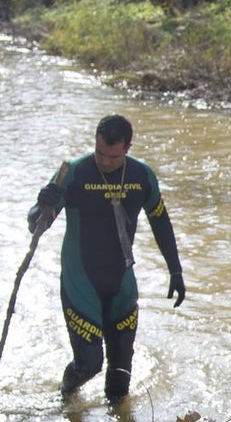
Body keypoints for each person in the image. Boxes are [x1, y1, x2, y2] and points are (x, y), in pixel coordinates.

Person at [29, 114, 185, 404]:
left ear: (127, 147)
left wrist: (175, 271)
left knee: (120, 380)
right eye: (100, 153)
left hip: (121, 284)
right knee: (89, 365)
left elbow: (161, 221)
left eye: (113, 156)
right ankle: (65, 399)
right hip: (80, 283)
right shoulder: (73, 172)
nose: (104, 161)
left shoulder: (141, 176)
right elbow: (37, 225)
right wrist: (42, 203)